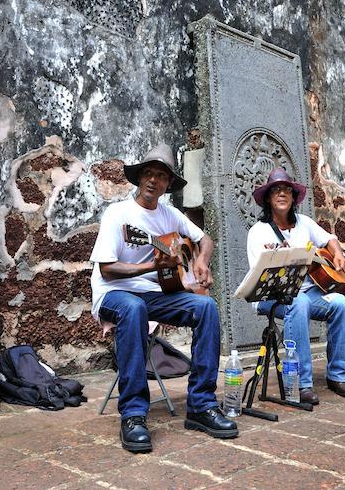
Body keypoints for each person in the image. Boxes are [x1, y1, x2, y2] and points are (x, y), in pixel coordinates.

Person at [89, 143, 238, 453]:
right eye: (148, 174)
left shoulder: (170, 215)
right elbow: (107, 269)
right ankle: (133, 414)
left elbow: (204, 239)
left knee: (206, 307)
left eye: (161, 176)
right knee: (133, 307)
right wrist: (150, 264)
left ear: (169, 184)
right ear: (139, 178)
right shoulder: (118, 214)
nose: (153, 180)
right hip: (115, 294)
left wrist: (200, 261)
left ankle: (201, 405)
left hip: (155, 295)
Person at [245, 167, 345, 404]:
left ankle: (337, 376)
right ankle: (300, 382)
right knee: (299, 302)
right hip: (270, 296)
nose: (282, 193)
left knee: (342, 304)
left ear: (294, 197)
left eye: (287, 189)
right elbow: (260, 276)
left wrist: (338, 255)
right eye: (276, 190)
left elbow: (330, 239)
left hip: (307, 292)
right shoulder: (258, 232)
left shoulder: (304, 223)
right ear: (268, 198)